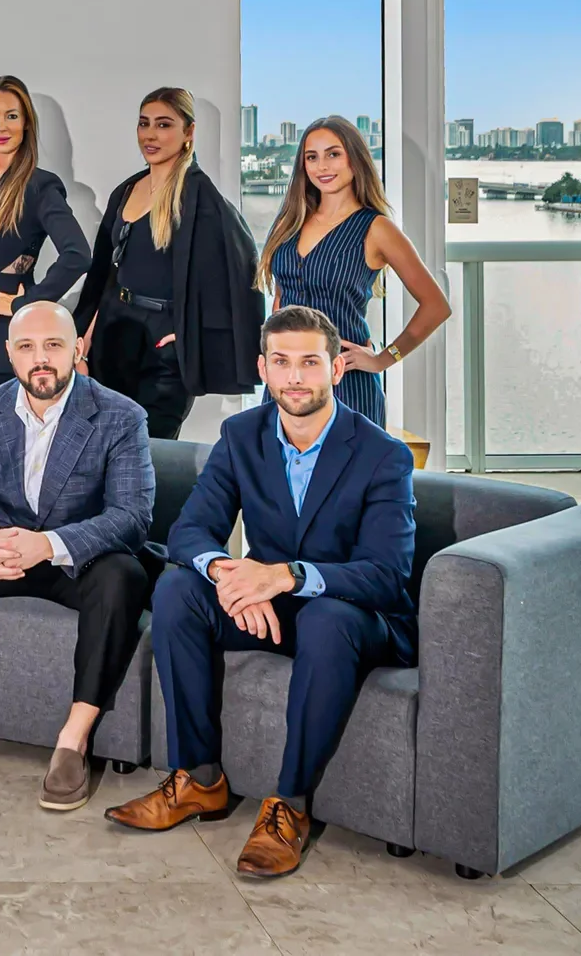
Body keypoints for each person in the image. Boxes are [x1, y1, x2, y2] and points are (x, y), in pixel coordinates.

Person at [106, 305, 418, 880]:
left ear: (337, 369)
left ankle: (289, 807)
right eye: (281, 362)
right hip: (270, 606)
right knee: (177, 590)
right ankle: (198, 779)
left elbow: (386, 572)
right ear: (263, 369)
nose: (295, 377)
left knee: (326, 619)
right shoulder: (241, 435)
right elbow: (190, 532)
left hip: (353, 616)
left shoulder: (382, 454)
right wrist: (232, 578)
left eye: (310, 363)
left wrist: (284, 576)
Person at [0, 301, 153, 810]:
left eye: (53, 346)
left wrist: (48, 545)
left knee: (123, 574)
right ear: (10, 354)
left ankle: (72, 741)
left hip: (75, 562)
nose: (40, 359)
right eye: (27, 347)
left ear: (77, 348)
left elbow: (131, 516)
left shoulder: (121, 416)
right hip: (2, 556)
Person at [74, 87, 265, 439]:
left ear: (188, 132)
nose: (150, 134)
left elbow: (242, 274)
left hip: (163, 350)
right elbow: (105, 272)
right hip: (113, 337)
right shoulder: (127, 190)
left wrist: (191, 333)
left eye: (163, 124)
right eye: (144, 123)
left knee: (152, 451)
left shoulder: (200, 197)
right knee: (103, 445)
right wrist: (83, 335)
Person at [257, 116, 451, 430]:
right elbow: (280, 300)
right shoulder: (290, 222)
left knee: (346, 462)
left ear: (355, 159)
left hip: (346, 383)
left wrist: (383, 359)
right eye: (312, 157)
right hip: (286, 383)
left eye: (333, 154)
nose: (322, 166)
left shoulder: (377, 229)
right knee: (277, 461)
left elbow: (436, 306)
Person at [0, 75, 92, 397]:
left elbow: (77, 255)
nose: (1, 126)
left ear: (26, 124)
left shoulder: (39, 186)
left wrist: (25, 302)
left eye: (11, 116)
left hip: (13, 346)